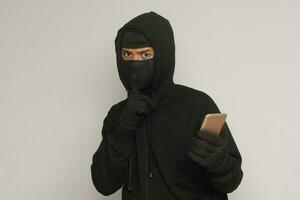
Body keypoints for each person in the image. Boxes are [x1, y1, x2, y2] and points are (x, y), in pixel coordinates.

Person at [91, 11, 243, 200]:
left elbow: (232, 181)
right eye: (128, 54)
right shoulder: (118, 114)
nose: (135, 62)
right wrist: (124, 128)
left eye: (145, 54)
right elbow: (103, 184)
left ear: (163, 55)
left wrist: (219, 163)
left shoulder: (198, 104)